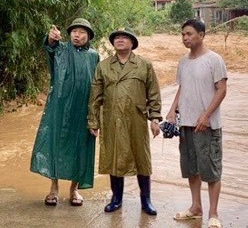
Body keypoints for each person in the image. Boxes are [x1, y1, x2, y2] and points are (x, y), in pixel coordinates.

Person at [88, 28, 162, 215]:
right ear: (113, 43)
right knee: (114, 156)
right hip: (112, 118)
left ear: (132, 42)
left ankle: (146, 200)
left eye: (124, 38)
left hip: (136, 119)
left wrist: (154, 118)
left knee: (142, 158)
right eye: (116, 38)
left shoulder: (144, 65)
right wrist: (93, 121)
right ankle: (116, 198)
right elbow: (95, 97)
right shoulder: (103, 66)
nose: (120, 40)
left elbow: (153, 94)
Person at [30, 18, 99, 206]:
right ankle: (53, 189)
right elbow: (50, 47)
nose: (77, 35)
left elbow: (98, 86)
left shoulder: (94, 56)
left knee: (81, 147)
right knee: (56, 144)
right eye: (74, 31)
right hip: (59, 108)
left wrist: (95, 116)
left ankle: (74, 190)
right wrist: (51, 40)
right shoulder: (61, 50)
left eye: (82, 32)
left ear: (89, 36)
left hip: (82, 110)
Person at [167, 19, 228, 228]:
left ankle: (213, 214)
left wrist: (206, 115)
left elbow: (221, 89)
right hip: (186, 123)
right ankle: (196, 207)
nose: (185, 38)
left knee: (211, 168)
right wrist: (172, 110)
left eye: (190, 34)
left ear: (201, 35)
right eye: (183, 34)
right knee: (191, 167)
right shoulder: (183, 62)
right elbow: (182, 88)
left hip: (208, 125)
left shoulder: (214, 60)